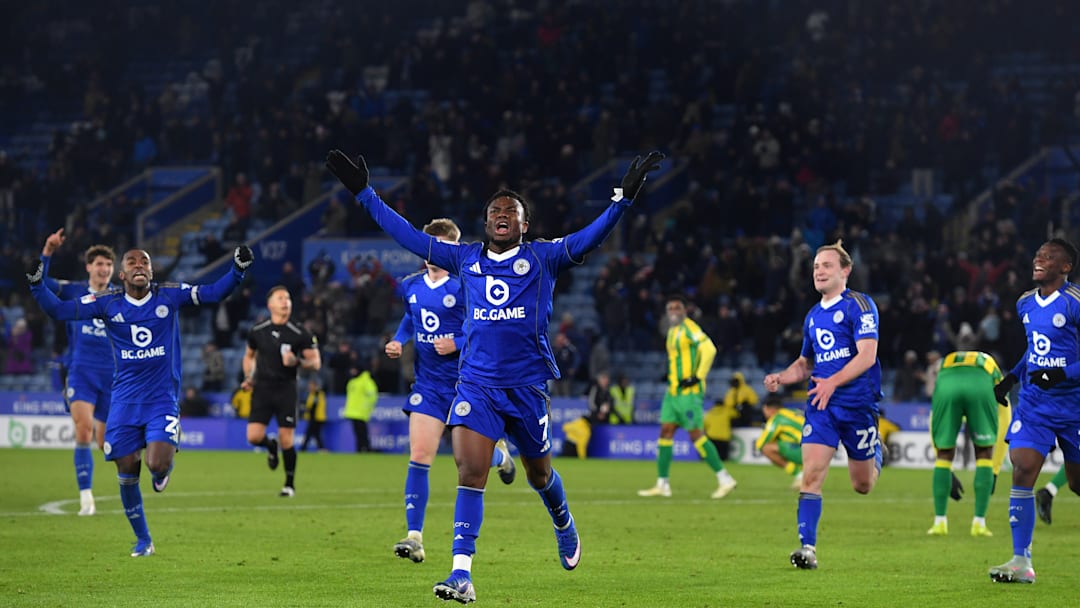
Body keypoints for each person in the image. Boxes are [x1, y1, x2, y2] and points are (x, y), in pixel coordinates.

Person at [326, 147, 663, 603]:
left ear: (524, 225)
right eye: (495, 211)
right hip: (476, 386)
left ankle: (562, 520)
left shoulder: (543, 258)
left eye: (511, 211)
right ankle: (461, 574)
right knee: (469, 470)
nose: (502, 214)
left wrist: (622, 200)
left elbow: (590, 238)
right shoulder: (464, 259)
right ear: (486, 224)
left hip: (526, 388)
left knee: (540, 475)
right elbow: (405, 234)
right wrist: (364, 194)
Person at [28, 234, 252, 557]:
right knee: (127, 468)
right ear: (122, 275)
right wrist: (37, 285)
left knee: (156, 464)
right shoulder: (107, 303)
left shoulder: (170, 296)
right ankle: (144, 540)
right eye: (131, 261)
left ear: (151, 271)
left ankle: (165, 465)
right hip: (124, 401)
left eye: (144, 261)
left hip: (160, 397)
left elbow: (214, 293)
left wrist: (237, 270)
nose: (138, 266)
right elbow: (60, 310)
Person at [383, 218, 516, 565]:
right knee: (420, 454)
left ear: (453, 249)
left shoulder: (465, 284)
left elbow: (485, 323)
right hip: (428, 385)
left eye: (439, 247)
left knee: (468, 463)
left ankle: (501, 458)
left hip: (466, 385)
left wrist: (456, 342)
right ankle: (415, 537)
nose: (431, 255)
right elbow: (411, 318)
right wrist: (399, 341)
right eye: (428, 248)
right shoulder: (411, 285)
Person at [763, 239, 884, 570]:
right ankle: (808, 548)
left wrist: (833, 380)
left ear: (845, 271)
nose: (819, 270)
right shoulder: (813, 316)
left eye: (827, 265)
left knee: (863, 485)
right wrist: (783, 376)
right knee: (812, 473)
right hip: (821, 404)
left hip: (857, 405)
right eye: (816, 266)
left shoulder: (859, 305)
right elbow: (805, 363)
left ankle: (876, 450)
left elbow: (867, 355)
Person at [988, 238, 1080, 584]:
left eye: (1048, 256)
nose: (1038, 259)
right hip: (1035, 403)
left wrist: (1061, 374)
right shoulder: (1025, 303)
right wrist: (1012, 375)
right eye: (1037, 254)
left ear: (1066, 267)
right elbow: (1036, 350)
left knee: (1077, 483)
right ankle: (1021, 561)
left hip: (1075, 406)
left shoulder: (1075, 302)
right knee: (1023, 466)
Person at [38, 228, 115, 516]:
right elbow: (41, 282)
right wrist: (47, 251)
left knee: (105, 444)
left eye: (108, 265)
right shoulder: (75, 290)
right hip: (81, 370)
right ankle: (86, 498)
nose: (104, 269)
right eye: (99, 264)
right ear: (89, 267)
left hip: (113, 376)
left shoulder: (120, 297)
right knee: (83, 430)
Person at [638, 294, 737, 499]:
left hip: (688, 393)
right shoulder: (672, 331)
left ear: (684, 310)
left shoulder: (689, 327)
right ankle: (662, 484)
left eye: (677, 307)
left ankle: (725, 478)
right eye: (670, 308)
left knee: (696, 435)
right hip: (673, 392)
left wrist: (697, 376)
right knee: (665, 432)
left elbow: (709, 349)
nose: (674, 311)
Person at [242, 285, 322, 497]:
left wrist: (296, 361)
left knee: (287, 438)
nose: (285, 301)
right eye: (280, 298)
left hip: (286, 388)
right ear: (270, 305)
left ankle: (289, 484)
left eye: (287, 298)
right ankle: (270, 445)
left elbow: (316, 363)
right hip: (262, 388)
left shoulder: (300, 332)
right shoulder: (257, 331)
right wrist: (249, 378)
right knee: (253, 437)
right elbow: (249, 356)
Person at [926, 350, 1007, 538]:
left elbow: (933, 421)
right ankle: (979, 523)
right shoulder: (992, 368)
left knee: (944, 455)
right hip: (979, 383)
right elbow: (1005, 417)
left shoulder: (946, 363)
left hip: (946, 382)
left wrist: (946, 469)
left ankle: (939, 523)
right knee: (984, 453)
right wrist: (995, 469)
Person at [562, 371, 624, 458]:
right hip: (595, 418)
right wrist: (598, 412)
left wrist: (608, 412)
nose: (606, 381)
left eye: (607, 379)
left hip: (605, 419)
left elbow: (611, 404)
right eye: (604, 379)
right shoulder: (595, 389)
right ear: (600, 380)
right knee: (590, 438)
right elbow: (591, 403)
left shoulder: (608, 391)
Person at [755, 393, 805, 490]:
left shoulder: (777, 418)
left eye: (765, 410)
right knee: (786, 439)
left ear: (770, 409)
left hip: (804, 451)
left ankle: (799, 474)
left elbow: (760, 444)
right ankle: (804, 476)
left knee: (767, 448)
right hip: (818, 448)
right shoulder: (794, 411)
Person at [343, 366, 378, 452]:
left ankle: (365, 448)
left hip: (361, 412)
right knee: (358, 433)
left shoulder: (366, 381)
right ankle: (361, 449)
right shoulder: (352, 381)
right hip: (353, 412)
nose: (352, 371)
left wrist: (367, 407)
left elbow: (372, 395)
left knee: (362, 432)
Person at [301, 379, 327, 452]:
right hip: (314, 417)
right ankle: (321, 448)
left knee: (309, 433)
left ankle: (303, 449)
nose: (309, 387)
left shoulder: (317, 394)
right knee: (316, 434)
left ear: (315, 386)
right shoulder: (312, 394)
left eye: (311, 385)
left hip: (317, 418)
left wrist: (306, 409)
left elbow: (313, 406)